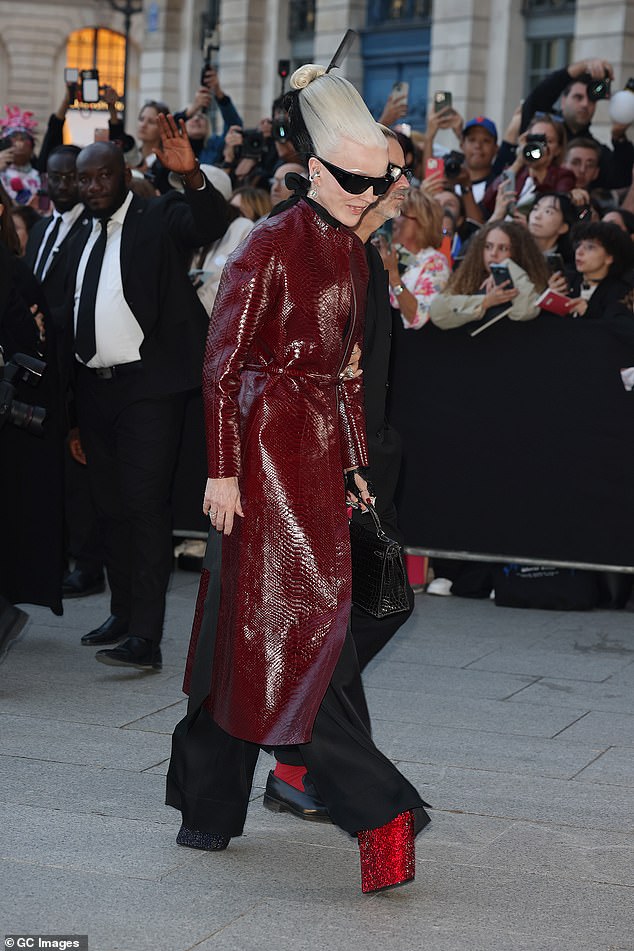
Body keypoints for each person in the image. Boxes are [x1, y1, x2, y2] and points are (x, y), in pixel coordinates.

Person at [166, 63, 429, 895]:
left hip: (313, 458)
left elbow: (347, 376)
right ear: (315, 168)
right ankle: (373, 808)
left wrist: (353, 466)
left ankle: (209, 806)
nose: (369, 194)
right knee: (282, 635)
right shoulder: (270, 243)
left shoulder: (353, 253)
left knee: (257, 633)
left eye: (380, 181)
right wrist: (223, 469)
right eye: (355, 180)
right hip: (260, 459)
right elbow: (222, 364)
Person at [63, 120, 229, 670]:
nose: (93, 187)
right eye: (84, 179)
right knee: (109, 508)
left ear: (123, 174)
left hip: (149, 388)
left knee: (143, 506)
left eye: (102, 176)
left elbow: (208, 222)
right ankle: (122, 613)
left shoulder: (156, 216)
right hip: (94, 389)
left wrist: (192, 176)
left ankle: (146, 636)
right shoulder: (80, 235)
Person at [520, 57, 634, 189]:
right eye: (578, 97)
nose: (585, 104)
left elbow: (621, 179)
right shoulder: (540, 129)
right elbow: (536, 100)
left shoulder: (594, 150)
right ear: (563, 101)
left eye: (591, 100)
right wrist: (582, 67)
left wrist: (619, 137)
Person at [430, 221, 550, 330]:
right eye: (488, 247)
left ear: (519, 253)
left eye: (503, 248)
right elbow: (438, 312)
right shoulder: (468, 278)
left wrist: (508, 266)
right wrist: (486, 301)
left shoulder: (530, 280)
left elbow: (526, 312)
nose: (493, 253)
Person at [377, 187, 450, 329]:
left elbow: (419, 318)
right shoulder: (386, 253)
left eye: (400, 212)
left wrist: (393, 277)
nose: (393, 218)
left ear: (422, 223)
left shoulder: (435, 262)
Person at [483, 113, 575, 219]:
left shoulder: (564, 176)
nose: (539, 146)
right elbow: (489, 202)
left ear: (558, 149)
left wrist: (541, 171)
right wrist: (518, 162)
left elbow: (554, 210)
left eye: (548, 141)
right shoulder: (517, 173)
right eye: (534, 140)